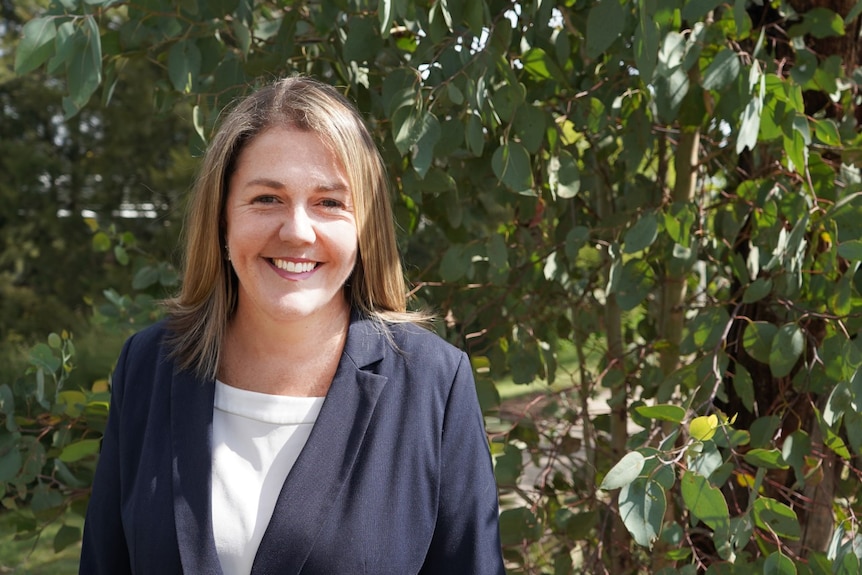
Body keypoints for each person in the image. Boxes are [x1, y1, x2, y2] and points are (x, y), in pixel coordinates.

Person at [78, 76, 506, 575]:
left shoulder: (434, 383)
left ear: (365, 227)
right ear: (222, 219)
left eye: (329, 203)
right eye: (267, 199)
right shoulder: (148, 366)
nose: (297, 231)